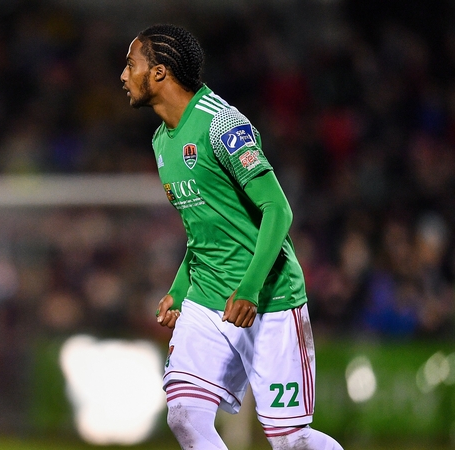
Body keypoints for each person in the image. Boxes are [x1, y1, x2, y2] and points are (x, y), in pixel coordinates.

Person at [120, 24, 343, 450]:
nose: (123, 75)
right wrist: (179, 289)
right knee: (185, 415)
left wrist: (250, 289)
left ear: (160, 73)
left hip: (269, 300)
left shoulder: (222, 124)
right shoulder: (161, 141)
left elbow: (278, 210)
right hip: (208, 301)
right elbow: (201, 229)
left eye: (132, 65)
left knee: (291, 439)